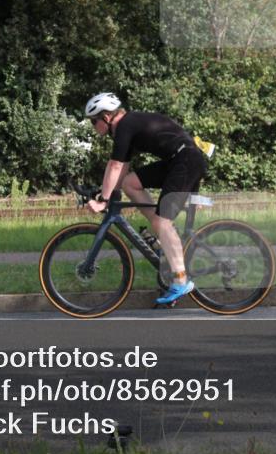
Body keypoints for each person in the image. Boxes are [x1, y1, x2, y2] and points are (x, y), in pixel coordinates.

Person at [83, 92, 208, 305]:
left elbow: (114, 166)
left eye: (93, 122)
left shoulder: (124, 125)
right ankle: (163, 231)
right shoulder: (128, 126)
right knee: (131, 183)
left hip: (186, 160)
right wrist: (107, 193)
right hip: (179, 158)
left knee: (162, 221)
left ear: (105, 117)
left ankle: (180, 280)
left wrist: (103, 201)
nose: (94, 127)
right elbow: (121, 168)